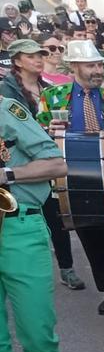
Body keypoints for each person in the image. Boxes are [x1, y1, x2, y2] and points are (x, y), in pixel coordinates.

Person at [38, 39, 104, 315]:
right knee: (90, 237)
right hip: (73, 180)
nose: (98, 70)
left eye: (99, 65)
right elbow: (37, 136)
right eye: (91, 65)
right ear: (74, 66)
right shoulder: (52, 97)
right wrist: (49, 129)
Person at [0, 92, 74, 352]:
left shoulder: (6, 110)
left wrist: (6, 174)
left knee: (37, 329)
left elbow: (58, 164)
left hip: (18, 227)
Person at [0, 38, 82, 291]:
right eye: (31, 55)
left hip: (48, 156)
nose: (38, 59)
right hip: (23, 164)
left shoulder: (49, 87)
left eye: (40, 54)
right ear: (17, 61)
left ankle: (66, 268)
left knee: (56, 217)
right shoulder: (6, 92)